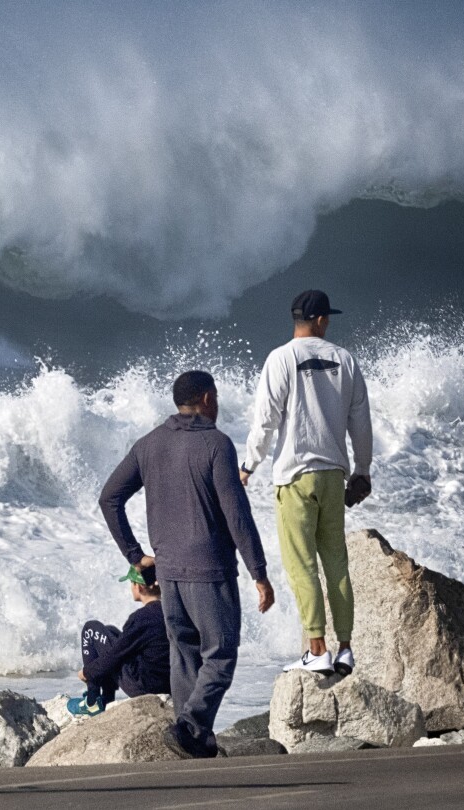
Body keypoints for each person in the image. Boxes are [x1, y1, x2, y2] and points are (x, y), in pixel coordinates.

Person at [99, 370, 275, 759]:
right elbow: (237, 514)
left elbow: (109, 498)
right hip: (209, 571)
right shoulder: (216, 444)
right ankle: (189, 727)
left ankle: (193, 742)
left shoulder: (149, 444)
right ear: (208, 399)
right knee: (221, 652)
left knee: (185, 655)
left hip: (169, 574)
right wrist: (259, 573)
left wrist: (135, 555)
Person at [241, 290, 372, 677]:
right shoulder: (345, 360)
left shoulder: (281, 358)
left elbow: (266, 418)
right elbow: (360, 422)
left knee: (301, 566)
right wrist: (362, 470)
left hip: (295, 476)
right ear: (321, 320)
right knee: (336, 563)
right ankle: (345, 648)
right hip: (333, 475)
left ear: (298, 318)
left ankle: (317, 649)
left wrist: (249, 464)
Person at [67, 564, 171, 717]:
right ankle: (107, 699)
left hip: (143, 686)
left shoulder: (142, 618)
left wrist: (88, 672)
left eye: (131, 583)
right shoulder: (172, 613)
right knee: (110, 631)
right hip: (168, 684)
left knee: (91, 628)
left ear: (139, 587)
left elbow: (115, 655)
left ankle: (92, 701)